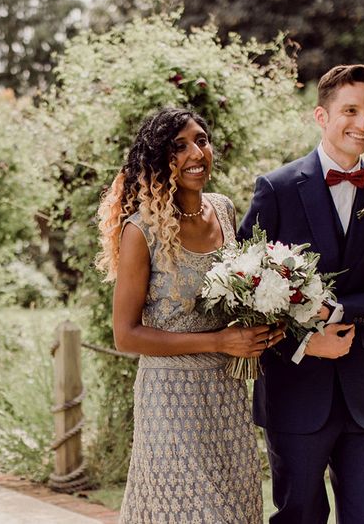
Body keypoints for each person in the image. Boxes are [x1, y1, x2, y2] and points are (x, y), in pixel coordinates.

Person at [239, 64, 364, 524]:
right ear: (321, 115)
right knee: (299, 516)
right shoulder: (275, 189)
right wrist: (303, 341)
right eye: (350, 110)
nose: (363, 124)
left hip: (363, 394)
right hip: (295, 391)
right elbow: (242, 293)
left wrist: (340, 310)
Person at [97, 107, 283, 524]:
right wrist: (218, 341)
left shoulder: (224, 210)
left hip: (228, 393)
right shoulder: (140, 230)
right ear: (158, 160)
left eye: (201, 140)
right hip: (169, 399)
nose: (196, 152)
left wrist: (266, 317)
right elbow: (125, 335)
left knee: (236, 510)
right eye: (179, 146)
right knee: (194, 512)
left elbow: (237, 296)